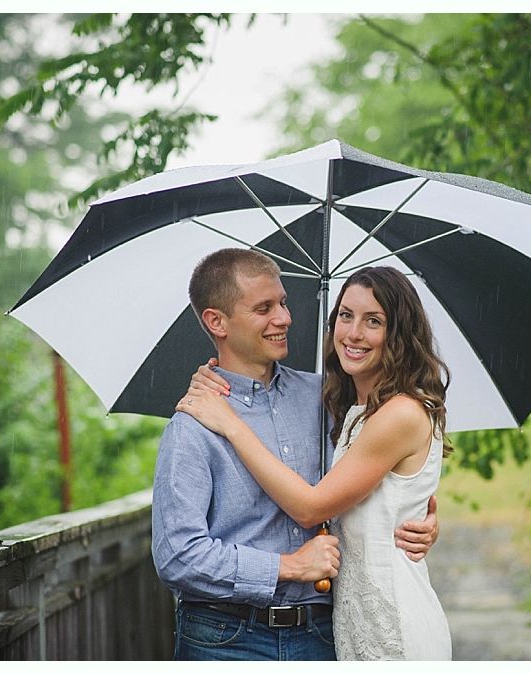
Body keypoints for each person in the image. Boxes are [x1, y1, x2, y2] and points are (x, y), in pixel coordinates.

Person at [151, 249, 439, 661]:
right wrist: (286, 567)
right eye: (264, 308)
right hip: (225, 639)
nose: (285, 318)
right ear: (217, 322)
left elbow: (380, 473)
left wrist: (414, 516)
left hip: (321, 635)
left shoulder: (328, 398)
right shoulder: (194, 422)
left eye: (284, 303)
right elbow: (178, 556)